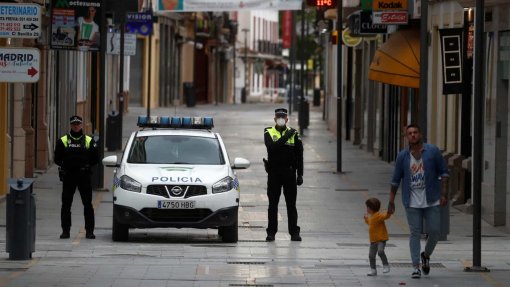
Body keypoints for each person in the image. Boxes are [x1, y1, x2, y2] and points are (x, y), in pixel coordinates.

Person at [387, 124, 449, 279]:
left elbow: (444, 173)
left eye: (415, 132)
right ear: (406, 137)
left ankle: (426, 255)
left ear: (420, 134)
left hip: (432, 199)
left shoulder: (432, 151)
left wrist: (444, 194)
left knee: (435, 232)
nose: (413, 135)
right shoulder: (402, 156)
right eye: (409, 133)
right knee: (415, 233)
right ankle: (416, 266)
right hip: (411, 201)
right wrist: (391, 201)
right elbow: (395, 180)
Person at [54, 115, 99, 239]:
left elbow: (95, 158)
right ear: (70, 125)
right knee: (66, 204)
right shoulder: (63, 140)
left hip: (84, 175)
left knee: (88, 205)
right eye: (73, 124)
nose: (76, 126)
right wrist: (66, 165)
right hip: (69, 176)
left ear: (81, 125)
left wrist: (86, 166)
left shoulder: (89, 140)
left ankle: (89, 231)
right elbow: (57, 158)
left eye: (78, 123)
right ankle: (65, 231)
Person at [264, 108, 303, 242]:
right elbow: (272, 148)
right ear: (275, 119)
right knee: (272, 205)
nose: (281, 119)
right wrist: (287, 136)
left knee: (291, 205)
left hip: (289, 173)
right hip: (274, 173)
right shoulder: (268, 131)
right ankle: (271, 233)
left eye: (283, 117)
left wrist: (300, 174)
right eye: (278, 117)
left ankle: (294, 233)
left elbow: (299, 155)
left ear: (287, 119)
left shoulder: (294, 133)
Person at [364, 197, 391, 276]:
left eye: (368, 207)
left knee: (380, 251)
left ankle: (386, 265)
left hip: (381, 240)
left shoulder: (378, 215)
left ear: (372, 208)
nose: (367, 209)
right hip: (373, 241)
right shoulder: (371, 217)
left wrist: (389, 212)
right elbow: (370, 223)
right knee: (371, 255)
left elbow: (385, 216)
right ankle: (373, 270)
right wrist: (366, 219)